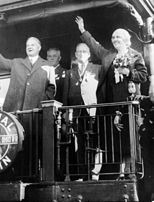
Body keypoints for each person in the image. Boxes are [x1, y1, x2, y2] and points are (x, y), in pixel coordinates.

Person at [75, 16, 148, 179]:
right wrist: (83, 31)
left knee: (128, 142)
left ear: (126, 40)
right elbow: (94, 46)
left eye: (118, 37)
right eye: (113, 37)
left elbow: (143, 76)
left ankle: (131, 175)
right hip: (109, 108)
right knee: (110, 143)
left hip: (128, 107)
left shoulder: (136, 56)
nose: (115, 39)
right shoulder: (108, 55)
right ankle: (110, 176)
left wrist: (129, 73)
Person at [63, 43, 102, 181]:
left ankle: (94, 172)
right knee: (79, 143)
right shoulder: (70, 72)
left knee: (93, 141)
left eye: (84, 51)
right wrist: (67, 113)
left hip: (92, 110)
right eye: (78, 51)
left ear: (89, 54)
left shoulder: (97, 69)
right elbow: (65, 95)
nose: (81, 53)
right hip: (76, 112)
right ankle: (83, 174)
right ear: (75, 54)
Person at [0, 36, 56, 112]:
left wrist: (42, 104)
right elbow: (0, 62)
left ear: (39, 48)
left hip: (36, 112)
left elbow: (51, 88)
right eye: (27, 45)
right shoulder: (16, 62)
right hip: (15, 110)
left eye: (32, 45)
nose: (29, 47)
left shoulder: (48, 65)